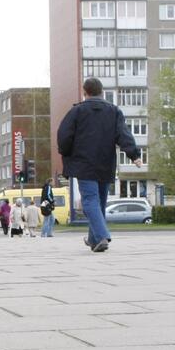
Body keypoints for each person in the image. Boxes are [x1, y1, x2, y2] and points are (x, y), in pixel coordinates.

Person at [57, 77, 142, 253]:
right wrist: (134, 155)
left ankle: (102, 236)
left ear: (84, 92)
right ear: (102, 92)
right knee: (99, 203)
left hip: (84, 164)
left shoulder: (77, 112)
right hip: (105, 163)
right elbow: (123, 134)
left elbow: (64, 136)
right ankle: (94, 240)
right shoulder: (114, 111)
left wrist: (66, 152)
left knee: (90, 201)